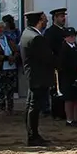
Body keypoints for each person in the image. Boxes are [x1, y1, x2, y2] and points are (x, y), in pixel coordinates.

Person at [21, 10, 52, 146]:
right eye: (45, 19)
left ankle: (32, 134)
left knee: (30, 106)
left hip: (33, 75)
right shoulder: (36, 37)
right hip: (38, 76)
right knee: (34, 107)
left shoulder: (27, 33)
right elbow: (47, 57)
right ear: (39, 21)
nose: (46, 21)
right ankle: (33, 136)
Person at [0, 20, 20, 114]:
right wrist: (7, 58)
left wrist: (14, 57)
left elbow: (16, 50)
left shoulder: (9, 39)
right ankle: (1, 107)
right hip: (0, 67)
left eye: (1, 28)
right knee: (1, 88)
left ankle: (10, 108)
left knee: (11, 89)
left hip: (11, 67)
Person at [59, 27, 77, 126]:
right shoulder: (63, 48)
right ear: (65, 38)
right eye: (69, 36)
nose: (72, 38)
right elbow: (63, 64)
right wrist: (75, 68)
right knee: (69, 99)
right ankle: (69, 119)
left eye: (73, 36)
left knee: (76, 99)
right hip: (68, 77)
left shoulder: (76, 47)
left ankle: (75, 119)